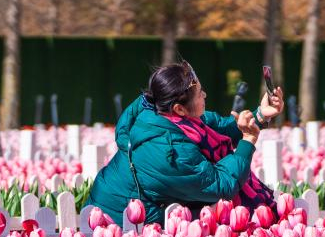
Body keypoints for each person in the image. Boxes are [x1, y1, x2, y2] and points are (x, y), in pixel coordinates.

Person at [89, 61, 284, 226]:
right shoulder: (168, 149)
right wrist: (248, 141)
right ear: (179, 109)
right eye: (199, 93)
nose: (205, 95)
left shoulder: (164, 112)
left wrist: (260, 115)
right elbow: (221, 185)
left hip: (136, 210)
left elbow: (219, 127)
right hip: (118, 223)